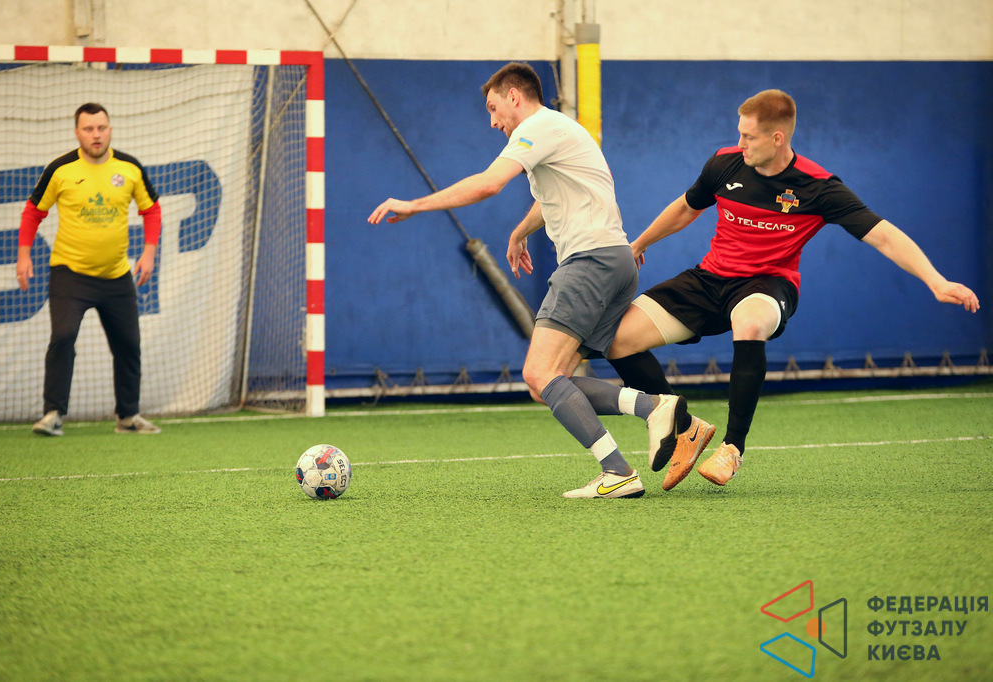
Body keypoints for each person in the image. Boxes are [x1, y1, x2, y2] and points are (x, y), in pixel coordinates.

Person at [605, 88, 980, 488]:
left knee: (749, 323)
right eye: (739, 134)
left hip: (768, 285)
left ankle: (732, 447)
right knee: (617, 341)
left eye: (748, 136)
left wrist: (936, 281)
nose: (740, 143)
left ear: (777, 138)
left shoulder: (818, 187)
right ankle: (686, 428)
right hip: (710, 278)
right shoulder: (725, 164)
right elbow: (686, 207)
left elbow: (883, 236)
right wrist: (639, 243)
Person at [368, 62, 701, 498]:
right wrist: (520, 231)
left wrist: (415, 205)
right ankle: (635, 440)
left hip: (590, 262)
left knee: (538, 373)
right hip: (615, 260)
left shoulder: (537, 127)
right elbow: (551, 199)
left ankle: (641, 431)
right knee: (547, 384)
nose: (493, 122)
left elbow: (488, 184)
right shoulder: (561, 130)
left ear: (514, 96)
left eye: (493, 108)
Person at [17, 102, 163, 436]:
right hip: (70, 275)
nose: (96, 135)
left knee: (129, 344)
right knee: (63, 336)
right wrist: (24, 256)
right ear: (77, 133)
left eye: (101, 128)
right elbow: (33, 212)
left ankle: (128, 417)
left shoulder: (129, 168)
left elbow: (152, 209)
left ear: (109, 129)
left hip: (116, 276)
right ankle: (53, 414)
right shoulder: (60, 169)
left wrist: (149, 253)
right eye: (88, 129)